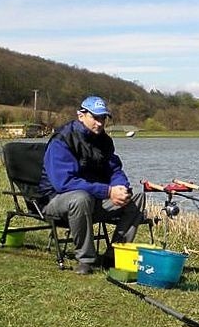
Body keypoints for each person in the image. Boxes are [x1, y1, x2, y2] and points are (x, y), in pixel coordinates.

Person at [37, 95, 146, 275]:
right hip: (55, 201)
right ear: (81, 116)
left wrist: (120, 188)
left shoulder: (104, 140)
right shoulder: (62, 140)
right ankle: (86, 260)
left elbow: (114, 170)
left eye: (103, 118)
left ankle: (113, 256)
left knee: (136, 198)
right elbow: (64, 183)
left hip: (92, 199)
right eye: (95, 118)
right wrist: (108, 190)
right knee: (80, 197)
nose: (100, 123)